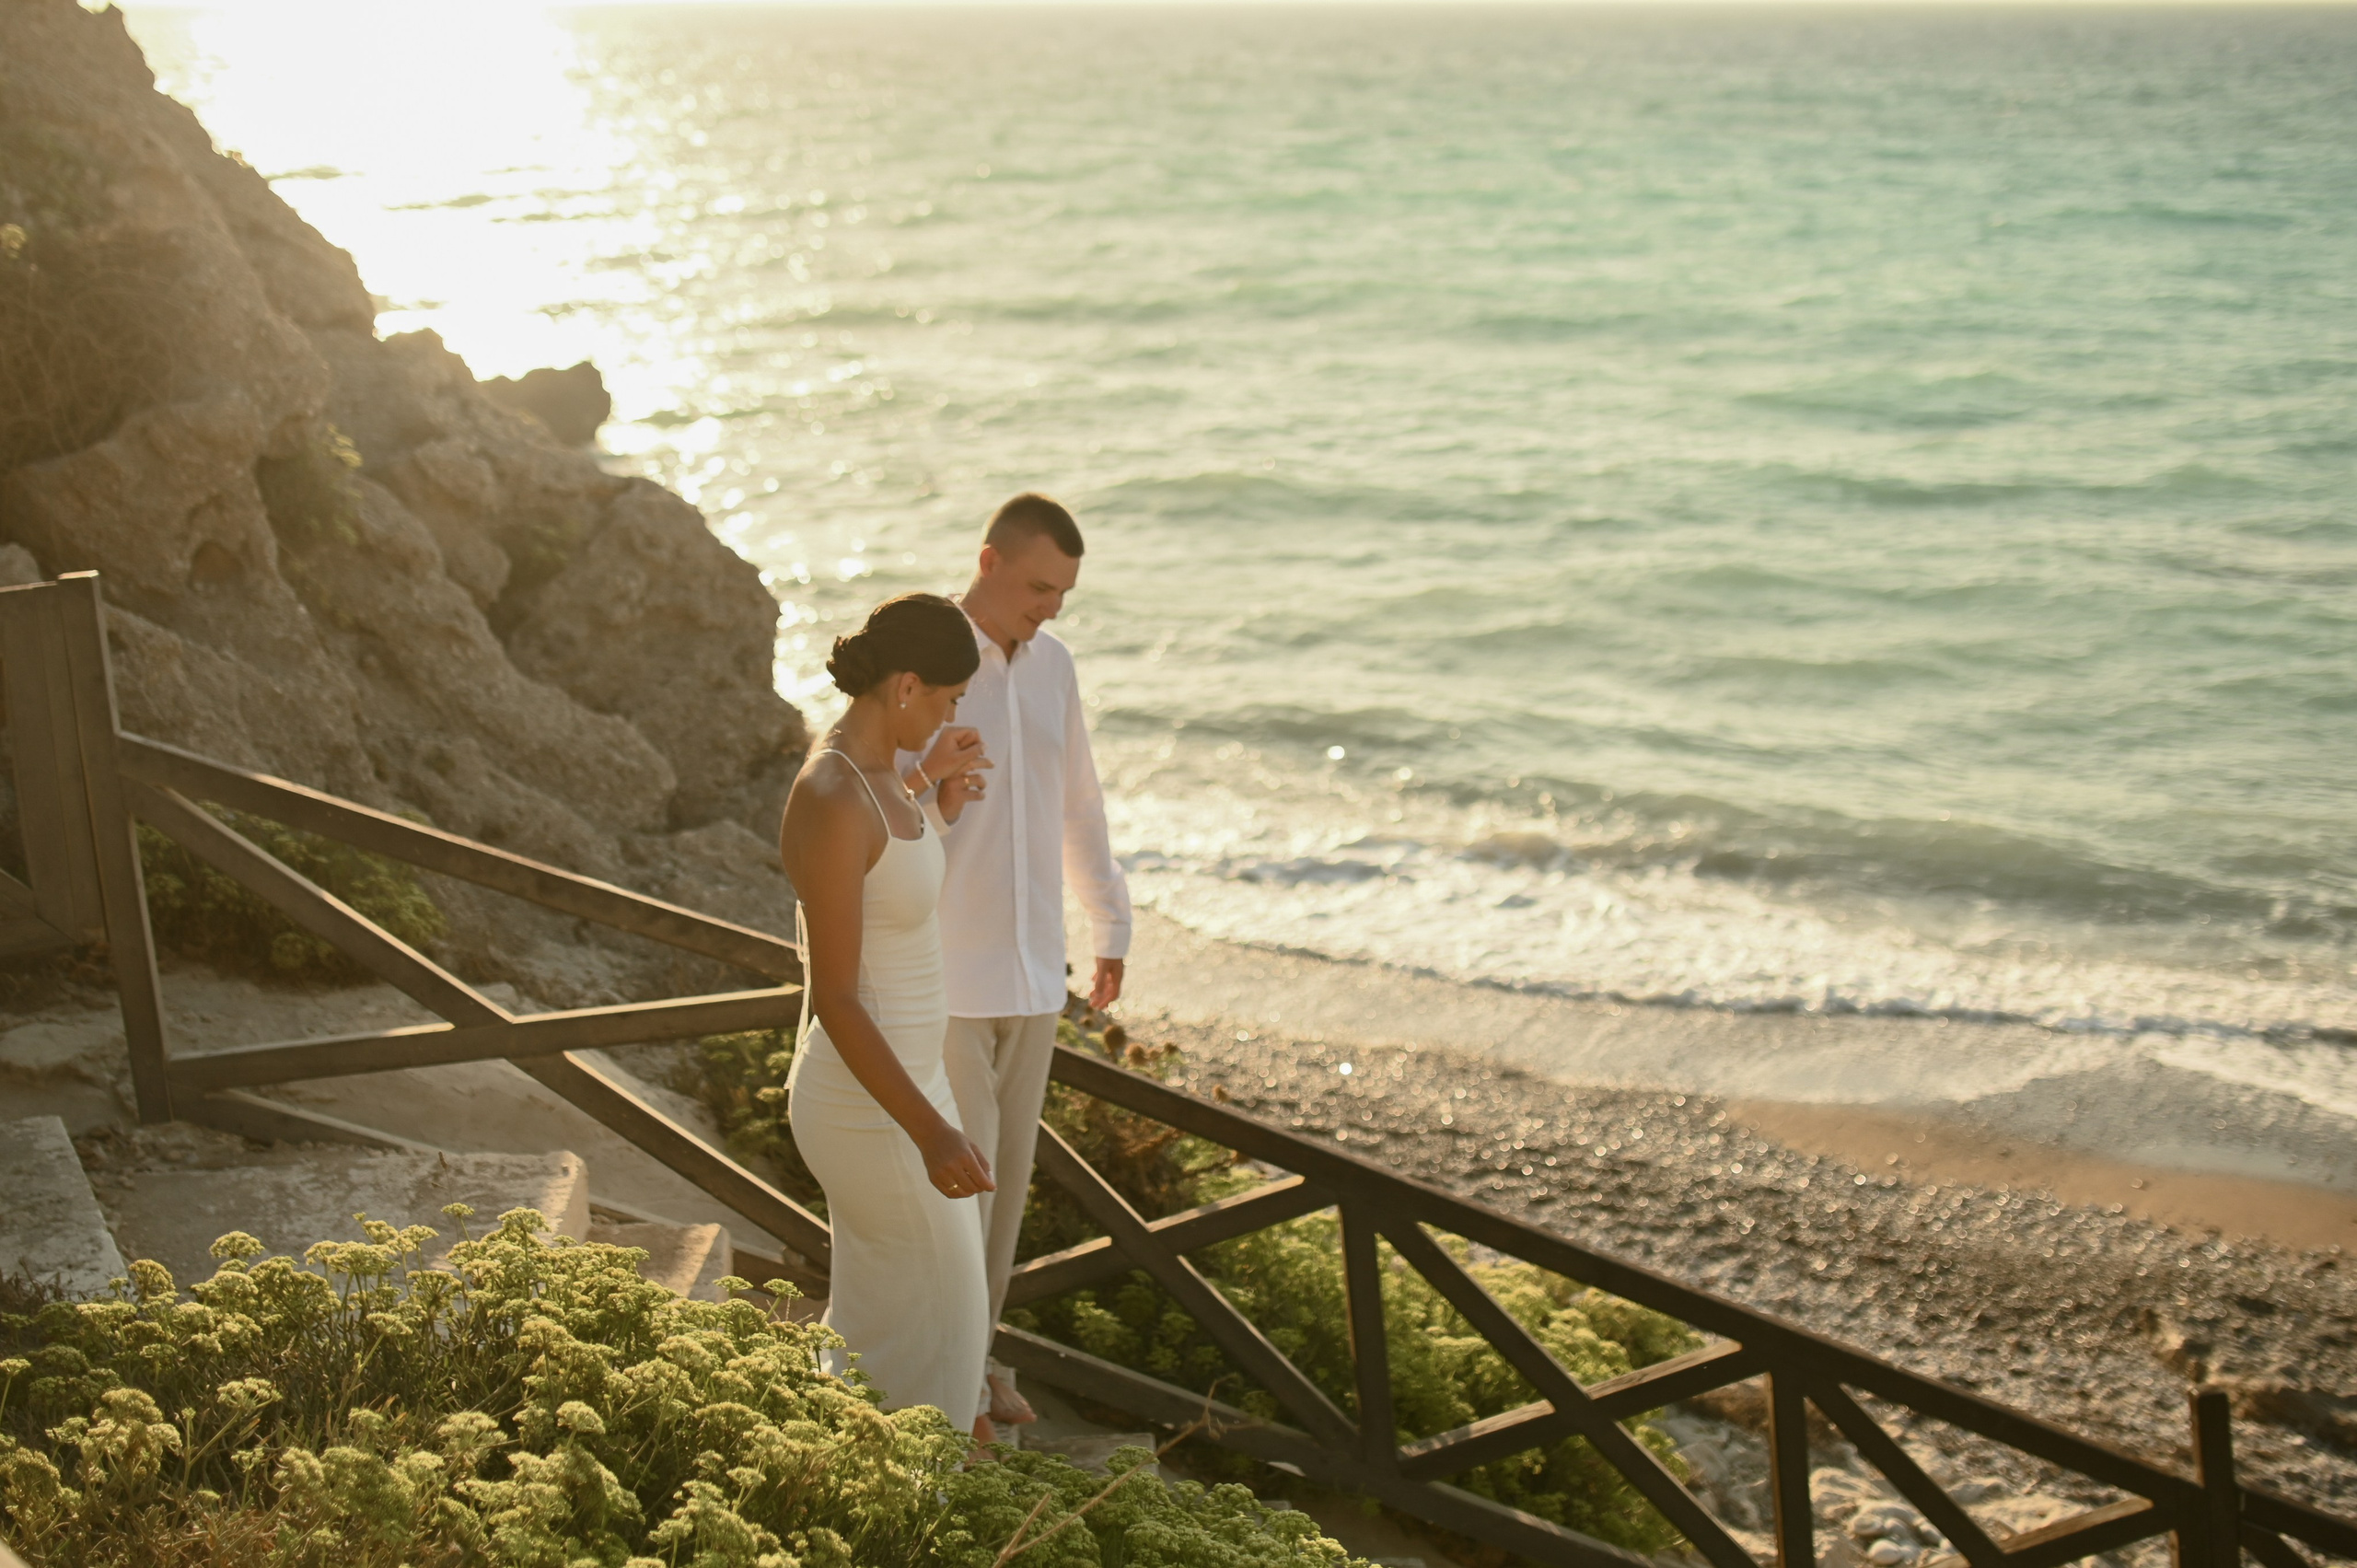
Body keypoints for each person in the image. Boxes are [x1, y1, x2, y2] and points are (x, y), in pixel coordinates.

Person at [901, 493, 1133, 1429]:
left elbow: (1078, 803)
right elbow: (873, 805)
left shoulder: (1056, 666)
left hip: (1038, 973)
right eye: (1041, 584)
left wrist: (1107, 921)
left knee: (1006, 1192)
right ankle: (941, 1378)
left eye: (1067, 589)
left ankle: (978, 1358)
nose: (1054, 606)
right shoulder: (922, 663)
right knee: (953, 1189)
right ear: (988, 560)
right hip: (946, 971)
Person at [780, 592, 1000, 1444]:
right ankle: (901, 1508)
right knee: (940, 1331)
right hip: (871, 1106)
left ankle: (838, 1493)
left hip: (910, 1089)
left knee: (897, 1330)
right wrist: (933, 1133)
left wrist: (934, 792)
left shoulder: (880, 783)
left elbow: (886, 870)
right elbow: (836, 995)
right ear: (906, 685)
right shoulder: (835, 791)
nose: (949, 716)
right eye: (946, 699)